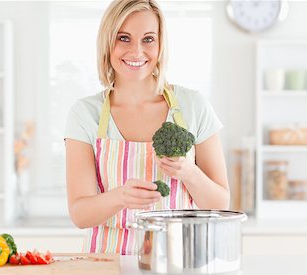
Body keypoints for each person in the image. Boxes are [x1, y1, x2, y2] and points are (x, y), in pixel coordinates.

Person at [64, 0, 230, 255]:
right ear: (107, 43)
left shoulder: (193, 105)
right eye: (124, 38)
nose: (137, 51)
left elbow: (221, 203)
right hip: (110, 267)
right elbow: (80, 214)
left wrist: (189, 172)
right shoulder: (86, 113)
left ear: (160, 45)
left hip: (179, 263)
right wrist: (120, 197)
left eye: (148, 39)